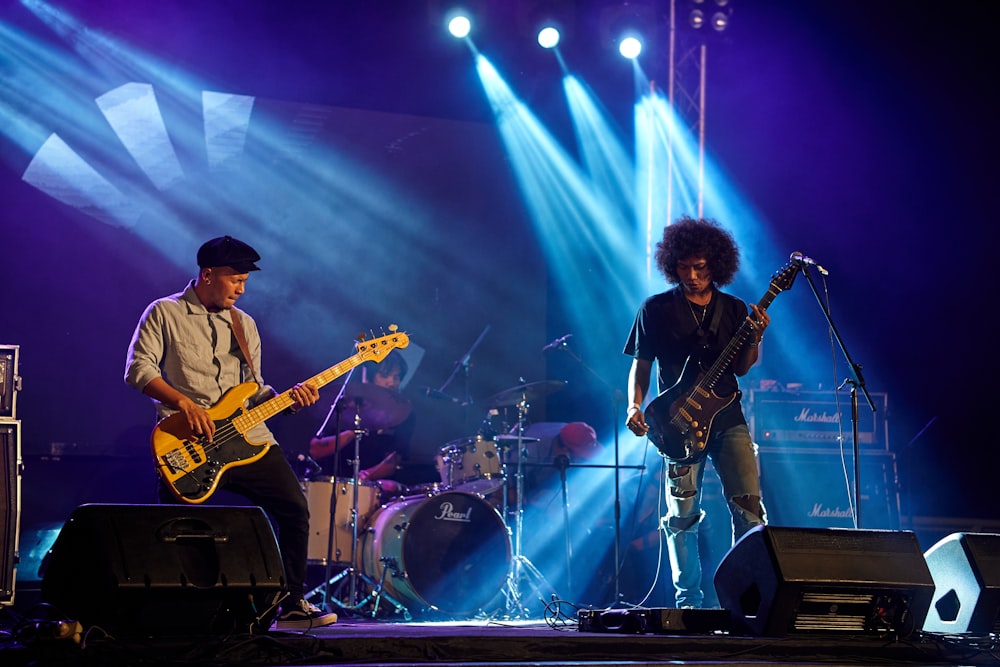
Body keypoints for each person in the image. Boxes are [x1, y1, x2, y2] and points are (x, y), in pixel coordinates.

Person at [124, 235, 338, 630]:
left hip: (250, 439)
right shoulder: (164, 312)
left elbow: (253, 391)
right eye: (235, 279)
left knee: (295, 508)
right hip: (188, 443)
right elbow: (138, 370)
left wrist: (290, 399)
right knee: (172, 529)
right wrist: (184, 403)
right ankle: (166, 613)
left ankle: (289, 603)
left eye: (245, 281)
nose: (242, 288)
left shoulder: (245, 324)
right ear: (207, 274)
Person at [622, 215, 769, 609]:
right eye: (684, 267)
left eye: (700, 267)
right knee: (681, 516)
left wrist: (754, 337)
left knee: (750, 513)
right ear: (673, 265)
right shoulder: (655, 309)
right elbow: (641, 363)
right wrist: (634, 405)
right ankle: (689, 603)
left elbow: (741, 367)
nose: (691, 275)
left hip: (728, 419)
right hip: (677, 424)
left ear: (715, 265)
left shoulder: (735, 309)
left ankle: (748, 602)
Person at [309, 351, 415, 496]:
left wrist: (365, 477)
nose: (392, 383)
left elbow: (395, 459)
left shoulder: (404, 412)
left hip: (374, 488)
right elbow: (315, 450)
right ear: (369, 377)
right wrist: (352, 432)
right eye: (385, 376)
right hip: (332, 485)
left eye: (396, 377)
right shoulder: (344, 405)